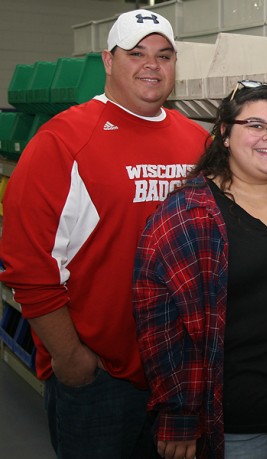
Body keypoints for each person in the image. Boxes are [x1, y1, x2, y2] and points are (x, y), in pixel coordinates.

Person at [0, 9, 208, 458]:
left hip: (176, 371)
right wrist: (71, 359)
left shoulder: (196, 141)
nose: (152, 64)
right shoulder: (64, 140)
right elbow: (29, 265)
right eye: (136, 53)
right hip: (100, 376)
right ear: (108, 62)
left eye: (164, 55)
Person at [132, 81, 267, 459]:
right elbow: (158, 322)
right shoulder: (190, 214)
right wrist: (179, 414)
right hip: (233, 419)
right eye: (256, 125)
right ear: (225, 135)